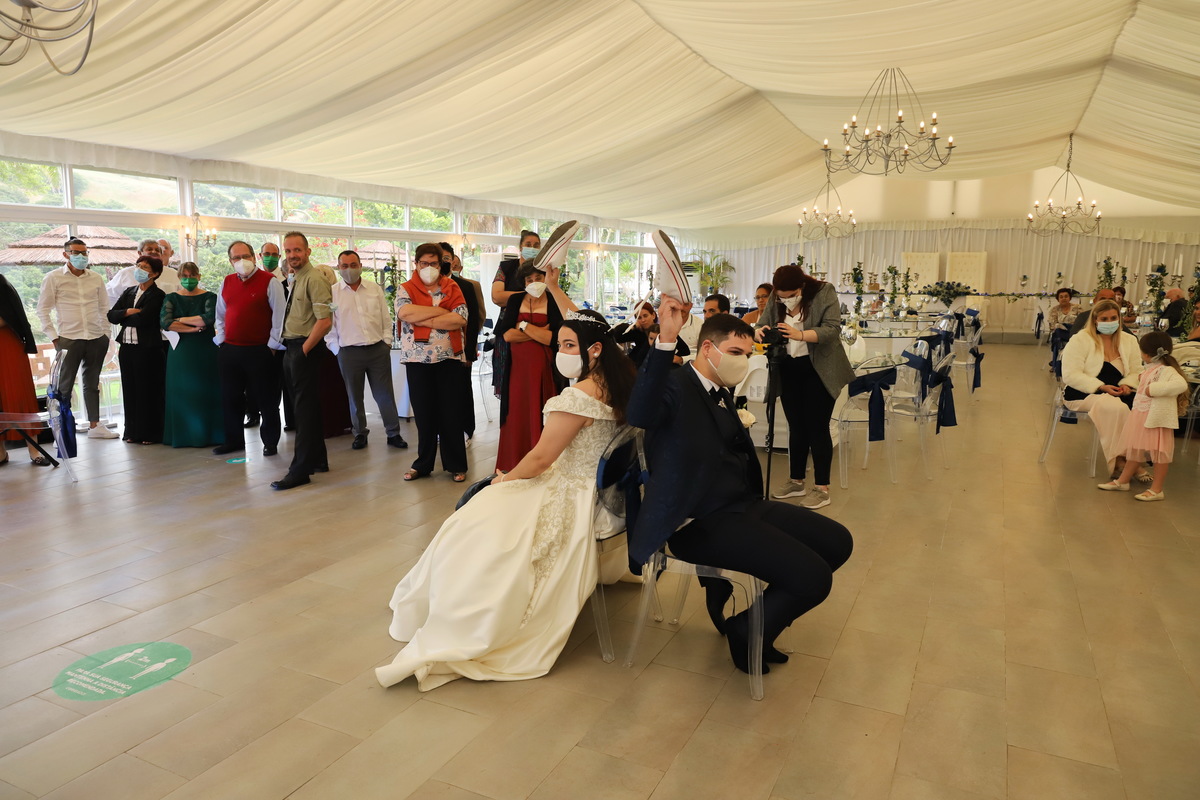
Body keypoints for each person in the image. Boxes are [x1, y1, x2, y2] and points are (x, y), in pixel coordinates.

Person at [376, 310, 636, 692]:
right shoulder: (621, 383)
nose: (560, 353)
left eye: (568, 345)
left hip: (569, 490)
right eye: (560, 344)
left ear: (594, 349)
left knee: (476, 515)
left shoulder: (577, 396)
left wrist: (504, 479)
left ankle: (459, 606)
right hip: (597, 491)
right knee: (485, 509)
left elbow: (540, 459)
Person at [626, 299, 853, 674]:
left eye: (747, 354)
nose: (742, 362)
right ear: (707, 348)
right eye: (734, 352)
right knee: (812, 577)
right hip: (694, 520)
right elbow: (640, 412)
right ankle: (747, 630)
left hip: (738, 505)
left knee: (837, 542)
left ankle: (760, 621)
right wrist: (665, 339)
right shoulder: (675, 386)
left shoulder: (719, 388)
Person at [757, 264, 855, 510]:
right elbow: (762, 323)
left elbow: (832, 330)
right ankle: (796, 480)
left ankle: (822, 488)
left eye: (791, 296)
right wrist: (760, 332)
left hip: (819, 369)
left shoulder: (824, 292)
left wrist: (799, 334)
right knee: (796, 426)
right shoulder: (776, 296)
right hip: (788, 369)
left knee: (817, 427)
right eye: (782, 296)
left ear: (801, 287)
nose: (786, 300)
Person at [396, 243, 469, 482]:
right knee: (424, 414)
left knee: (451, 412)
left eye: (434, 263)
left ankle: (456, 464)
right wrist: (440, 311)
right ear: (416, 264)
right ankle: (423, 464)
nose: (429, 267)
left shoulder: (452, 286)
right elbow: (405, 313)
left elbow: (459, 318)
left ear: (441, 264)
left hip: (449, 357)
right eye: (424, 263)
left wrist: (423, 316)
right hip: (417, 359)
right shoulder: (406, 288)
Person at [494, 260, 576, 472]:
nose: (533, 282)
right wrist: (536, 330)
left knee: (543, 411)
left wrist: (522, 327)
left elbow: (553, 339)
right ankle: (514, 463)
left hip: (544, 368)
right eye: (528, 279)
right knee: (516, 412)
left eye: (538, 278)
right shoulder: (515, 300)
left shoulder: (553, 300)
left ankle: (542, 464)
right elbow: (507, 335)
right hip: (517, 370)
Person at [36, 237, 118, 439]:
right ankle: (62, 432)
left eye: (84, 252)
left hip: (96, 337)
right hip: (69, 338)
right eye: (76, 252)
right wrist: (54, 338)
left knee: (92, 384)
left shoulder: (95, 278)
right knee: (64, 387)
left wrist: (106, 335)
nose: (81, 256)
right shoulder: (53, 277)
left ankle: (95, 426)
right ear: (66, 254)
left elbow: (104, 308)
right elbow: (43, 310)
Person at [325, 249, 407, 451]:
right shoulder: (332, 293)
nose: (349, 269)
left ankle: (393, 433)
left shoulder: (373, 288)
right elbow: (329, 326)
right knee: (354, 396)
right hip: (348, 352)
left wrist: (387, 342)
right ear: (339, 268)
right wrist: (337, 350)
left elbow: (386, 317)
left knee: (384, 394)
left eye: (353, 265)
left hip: (377, 349)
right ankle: (360, 433)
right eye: (345, 266)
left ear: (360, 266)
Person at [273, 232, 333, 490]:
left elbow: (325, 321)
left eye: (297, 250)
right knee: (307, 408)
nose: (292, 255)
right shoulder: (296, 277)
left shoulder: (315, 279)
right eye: (288, 251)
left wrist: (304, 350)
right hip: (293, 347)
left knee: (303, 412)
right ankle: (318, 460)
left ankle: (300, 470)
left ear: (307, 251)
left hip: (304, 348)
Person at [213, 241, 285, 459]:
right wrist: (222, 340)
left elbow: (279, 317)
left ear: (254, 257)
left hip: (260, 351)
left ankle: (270, 442)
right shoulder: (226, 282)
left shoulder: (270, 281)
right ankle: (233, 441)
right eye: (236, 257)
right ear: (230, 261)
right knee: (230, 398)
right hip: (231, 350)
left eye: (245, 256)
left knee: (266, 400)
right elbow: (220, 315)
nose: (241, 261)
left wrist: (272, 346)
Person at [1098, 331, 1189, 501]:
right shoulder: (1150, 368)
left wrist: (1152, 390)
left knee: (1159, 454)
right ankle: (1123, 481)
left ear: (1147, 354)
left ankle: (1157, 489)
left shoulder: (1167, 370)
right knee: (1135, 450)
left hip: (1156, 419)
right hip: (1141, 415)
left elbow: (1181, 384)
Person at [1061, 299, 1143, 479]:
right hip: (1083, 392)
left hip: (1120, 393)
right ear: (1095, 320)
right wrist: (1100, 386)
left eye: (1113, 318)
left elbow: (1137, 371)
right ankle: (1122, 461)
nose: (1109, 322)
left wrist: (1128, 384)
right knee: (1116, 408)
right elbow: (1070, 374)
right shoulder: (1080, 339)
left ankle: (1129, 461)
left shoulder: (1129, 340)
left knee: (1141, 408)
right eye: (1104, 319)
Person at [160, 262, 223, 448]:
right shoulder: (171, 298)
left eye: (192, 276)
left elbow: (208, 319)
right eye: (185, 276)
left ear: (199, 276)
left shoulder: (210, 296)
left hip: (205, 349)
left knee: (206, 389)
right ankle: (184, 436)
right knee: (181, 391)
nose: (189, 279)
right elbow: (165, 323)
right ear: (179, 277)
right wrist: (193, 329)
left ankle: (209, 434)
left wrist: (179, 320)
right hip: (180, 350)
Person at [107, 255, 166, 444]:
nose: (139, 270)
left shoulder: (157, 294)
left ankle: (150, 433)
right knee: (130, 388)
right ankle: (131, 431)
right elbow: (111, 316)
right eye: (138, 265)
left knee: (147, 390)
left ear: (154, 273)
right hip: (127, 347)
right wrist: (127, 312)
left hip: (147, 348)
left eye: (145, 267)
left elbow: (145, 319)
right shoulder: (129, 291)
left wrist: (124, 317)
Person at [0, 274, 50, 466]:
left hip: (7, 345)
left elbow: (8, 317)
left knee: (18, 396)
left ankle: (34, 450)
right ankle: (1, 453)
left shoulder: (1, 283)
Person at [491, 230, 541, 397]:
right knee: (508, 382)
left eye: (536, 245)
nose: (532, 248)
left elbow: (548, 297)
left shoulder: (543, 269)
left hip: (538, 328)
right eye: (528, 244)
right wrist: (529, 294)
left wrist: (511, 298)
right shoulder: (506, 267)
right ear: (520, 247)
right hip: (508, 328)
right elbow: (497, 297)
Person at [442, 244, 483, 445]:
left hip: (461, 348)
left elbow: (474, 320)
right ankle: (442, 431)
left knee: (463, 390)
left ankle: (466, 429)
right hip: (437, 350)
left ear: (453, 261)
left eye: (446, 258)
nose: (443, 262)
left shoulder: (466, 286)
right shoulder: (425, 287)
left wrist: (469, 351)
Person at [611, 300, 689, 367]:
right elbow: (617, 337)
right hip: (638, 369)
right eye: (639, 318)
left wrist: (672, 358)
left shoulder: (663, 331)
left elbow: (685, 350)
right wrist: (632, 326)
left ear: (653, 315)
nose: (643, 320)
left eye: (645, 316)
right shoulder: (638, 332)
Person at [106, 239, 181, 302]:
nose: (154, 252)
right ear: (140, 253)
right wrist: (123, 312)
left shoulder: (173, 274)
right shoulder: (125, 273)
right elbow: (109, 296)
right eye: (149, 249)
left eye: (157, 250)